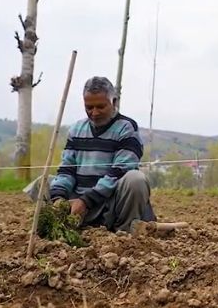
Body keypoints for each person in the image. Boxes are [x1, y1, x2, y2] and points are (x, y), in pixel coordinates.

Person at [26, 76, 156, 232]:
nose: (94, 113)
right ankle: (63, 224)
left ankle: (124, 233)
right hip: (78, 199)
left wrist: (86, 201)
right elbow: (67, 169)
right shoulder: (76, 129)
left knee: (136, 179)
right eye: (89, 107)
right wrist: (59, 199)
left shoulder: (126, 127)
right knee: (43, 183)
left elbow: (120, 171)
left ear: (113, 102)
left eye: (100, 107)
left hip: (110, 203)